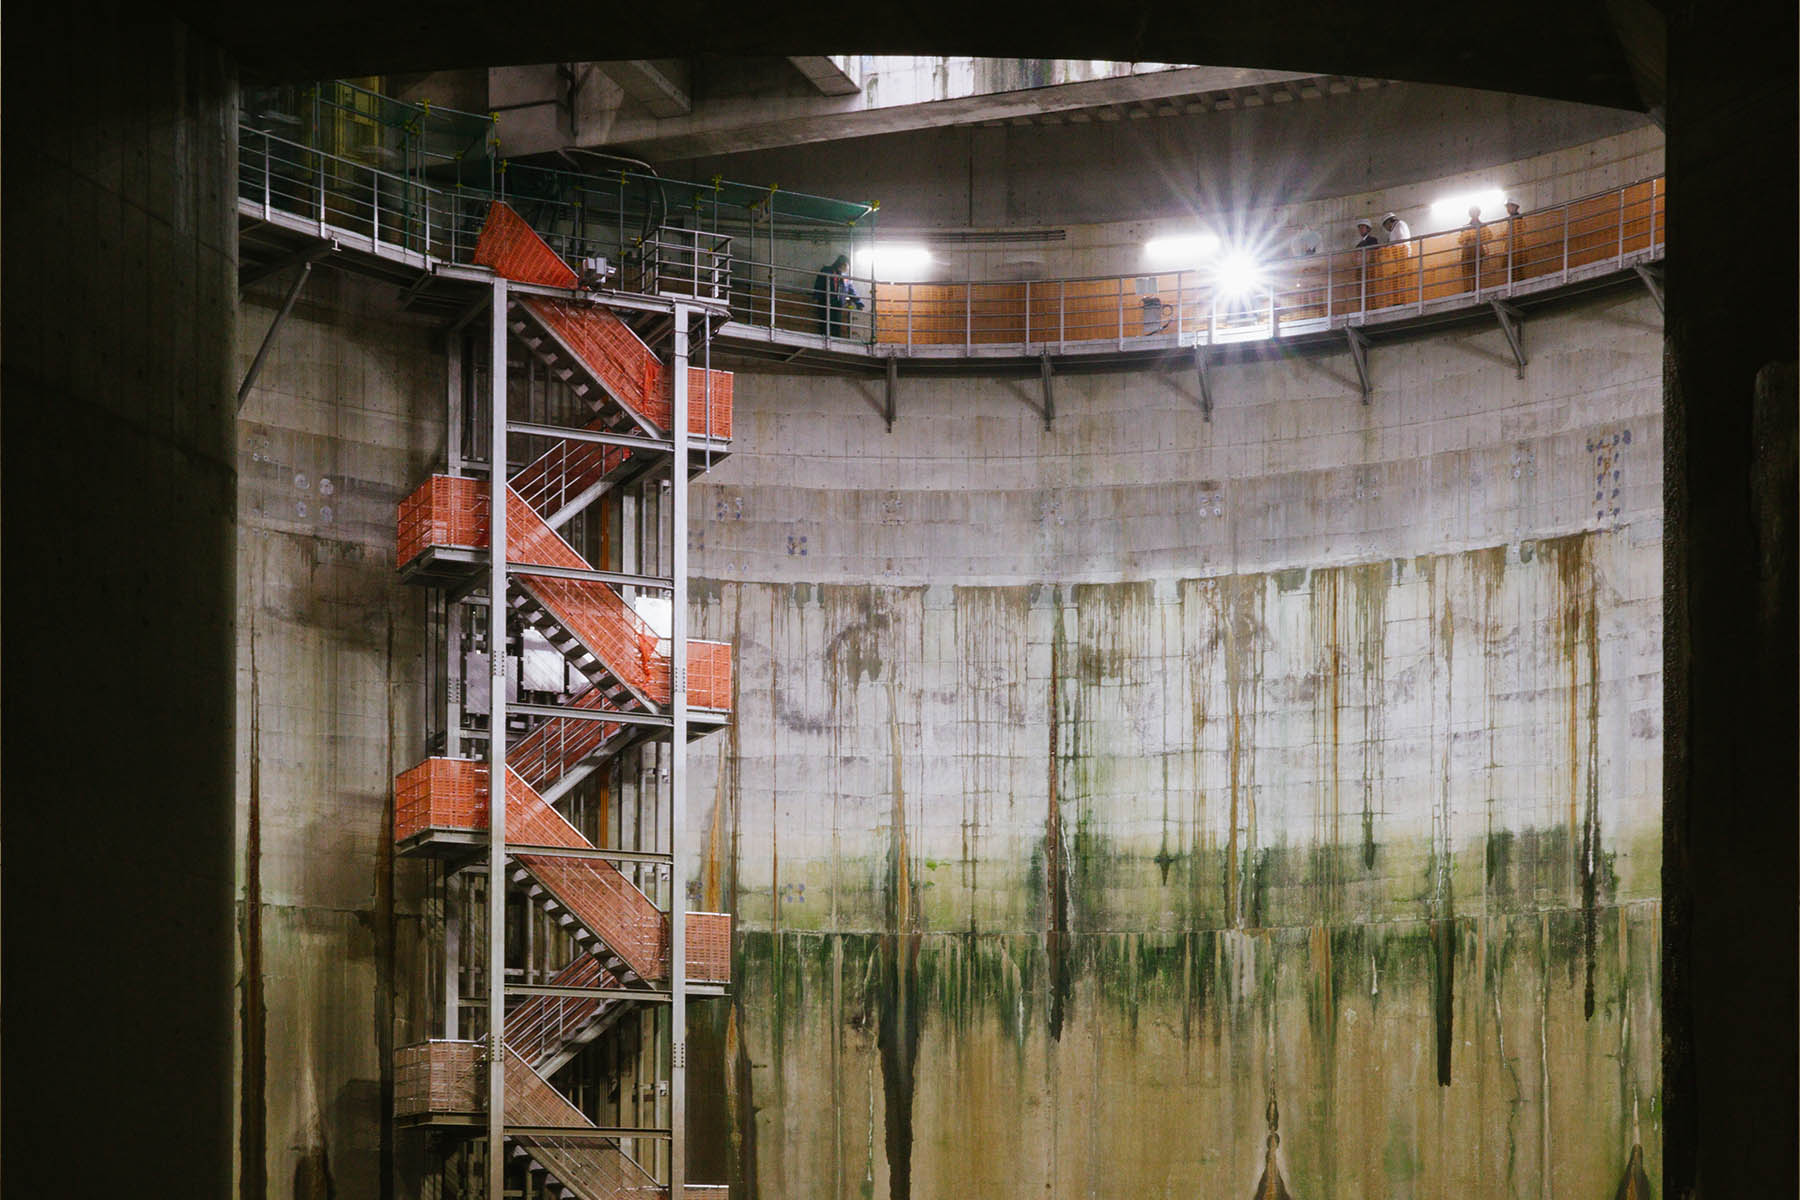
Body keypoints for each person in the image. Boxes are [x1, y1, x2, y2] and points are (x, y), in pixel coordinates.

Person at [812, 253, 864, 338]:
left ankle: (835, 341)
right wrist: (816, 296)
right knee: (824, 324)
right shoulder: (826, 270)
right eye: (848, 266)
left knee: (836, 325)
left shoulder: (845, 277)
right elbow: (819, 283)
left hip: (838, 304)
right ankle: (823, 340)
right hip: (825, 302)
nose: (848, 268)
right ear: (843, 264)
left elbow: (851, 290)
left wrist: (859, 303)